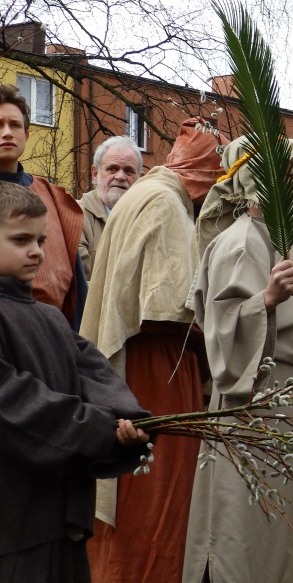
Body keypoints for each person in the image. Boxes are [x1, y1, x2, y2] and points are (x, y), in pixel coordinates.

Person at [182, 136, 293, 582]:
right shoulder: (242, 243)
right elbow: (221, 334)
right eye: (284, 172)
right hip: (258, 411)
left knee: (289, 543)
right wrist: (265, 300)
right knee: (249, 540)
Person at [80, 117, 226, 583]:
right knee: (155, 503)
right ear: (205, 175)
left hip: (144, 369)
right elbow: (167, 308)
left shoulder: (148, 195)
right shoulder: (165, 202)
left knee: (137, 499)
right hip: (157, 371)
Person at [0, 181, 151, 582]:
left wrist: (127, 419)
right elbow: (14, 402)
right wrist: (98, 429)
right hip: (11, 524)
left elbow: (95, 372)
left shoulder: (49, 316)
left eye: (40, 240)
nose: (36, 251)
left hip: (61, 516)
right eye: (20, 240)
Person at [0, 84, 86, 328]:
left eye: (14, 125)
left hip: (52, 334)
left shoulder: (53, 196)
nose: (7, 132)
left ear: (26, 135)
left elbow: (76, 287)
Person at [78, 136, 143, 279]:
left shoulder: (150, 219)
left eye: (129, 171)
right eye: (112, 169)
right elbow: (80, 282)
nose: (120, 176)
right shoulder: (75, 216)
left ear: (140, 179)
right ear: (95, 174)